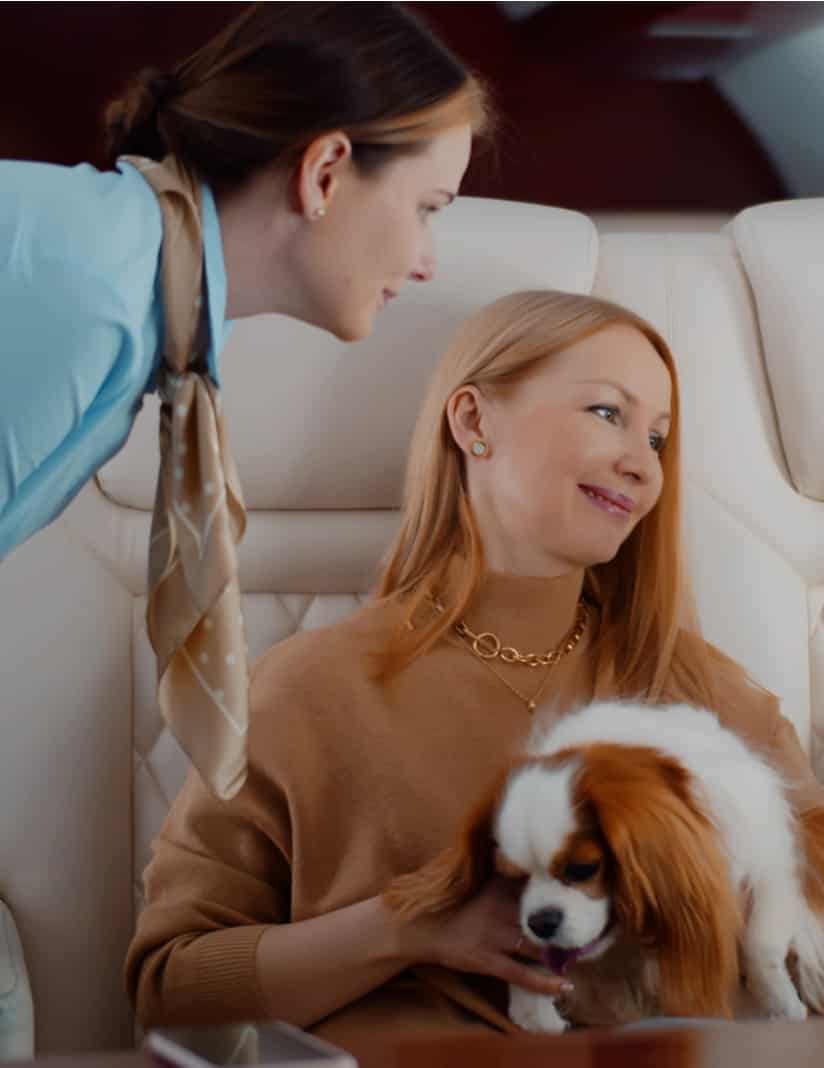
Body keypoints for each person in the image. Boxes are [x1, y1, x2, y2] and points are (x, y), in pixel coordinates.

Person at [124, 290, 824, 1043]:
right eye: (607, 413)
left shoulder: (700, 693)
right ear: (474, 420)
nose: (645, 465)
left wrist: (754, 907)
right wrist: (408, 926)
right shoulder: (302, 691)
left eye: (657, 437)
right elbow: (174, 987)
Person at [0, 2, 490, 798]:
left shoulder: (129, 288)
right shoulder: (89, 291)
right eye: (428, 209)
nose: (428, 261)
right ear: (324, 172)